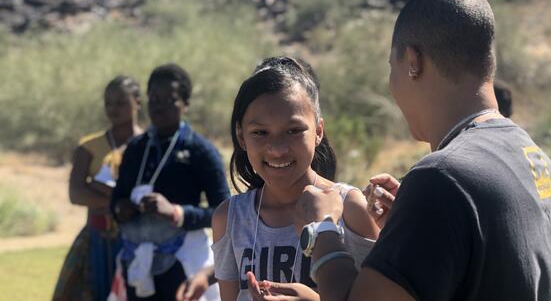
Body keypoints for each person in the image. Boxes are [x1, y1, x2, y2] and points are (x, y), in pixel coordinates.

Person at [263, 0, 551, 300]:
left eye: (392, 67)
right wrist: (407, 232)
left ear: (413, 61)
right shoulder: (536, 159)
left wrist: (322, 232)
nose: (391, 85)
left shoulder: (441, 177)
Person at [211, 56, 379, 301]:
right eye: (260, 133)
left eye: (293, 131)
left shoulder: (350, 209)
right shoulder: (229, 218)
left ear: (318, 132)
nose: (277, 149)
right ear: (241, 136)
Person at [111, 63, 231, 301]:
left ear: (185, 104)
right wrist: (120, 209)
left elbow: (226, 212)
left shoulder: (200, 151)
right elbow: (116, 199)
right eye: (154, 98)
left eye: (170, 99)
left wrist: (177, 213)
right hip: (136, 260)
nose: (159, 106)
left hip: (182, 263)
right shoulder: (136, 148)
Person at [53, 75, 143, 301]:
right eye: (108, 103)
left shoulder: (149, 145)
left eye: (121, 102)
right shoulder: (88, 147)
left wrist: (100, 189)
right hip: (96, 240)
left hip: (139, 239)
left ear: (138, 102)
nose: (113, 109)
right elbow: (76, 194)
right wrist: (120, 201)